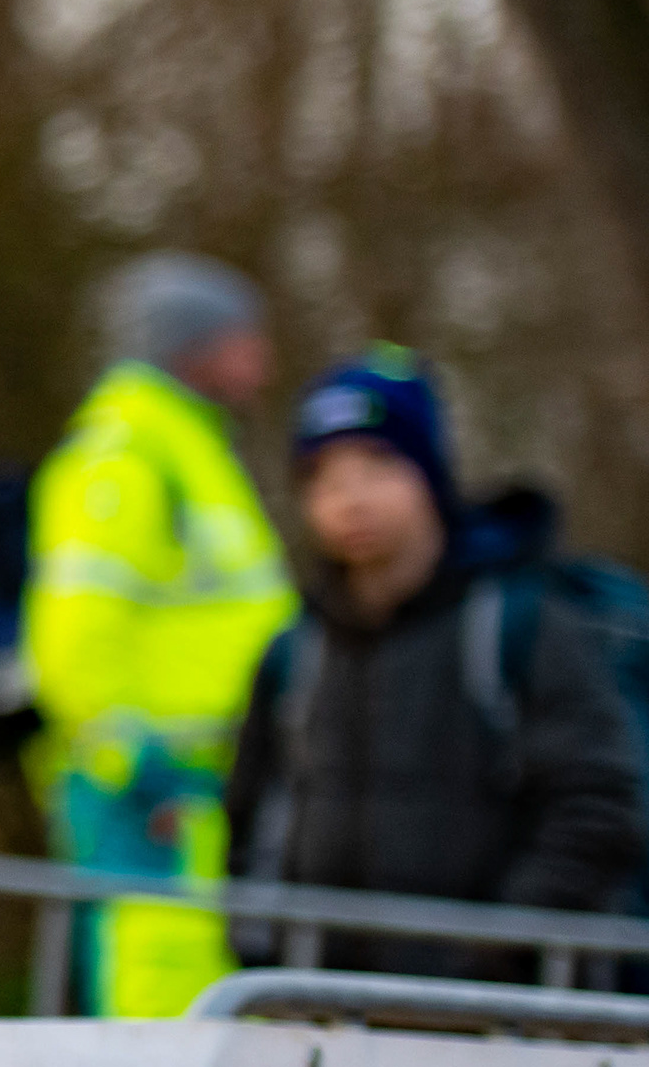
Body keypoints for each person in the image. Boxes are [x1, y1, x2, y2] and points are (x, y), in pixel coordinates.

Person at [226, 347, 644, 978]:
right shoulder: (296, 649)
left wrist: (496, 956)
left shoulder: (521, 623)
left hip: (492, 1009)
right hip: (320, 1006)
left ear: (430, 472)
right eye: (324, 477)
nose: (350, 498)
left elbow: (596, 806)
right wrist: (264, 950)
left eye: (377, 465)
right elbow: (253, 818)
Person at [20, 254, 295, 1017]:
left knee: (193, 1002)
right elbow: (72, 633)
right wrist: (132, 763)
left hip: (200, 790)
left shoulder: (187, 449)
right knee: (147, 1006)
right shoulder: (127, 458)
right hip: (148, 795)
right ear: (191, 345)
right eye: (243, 339)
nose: (262, 361)